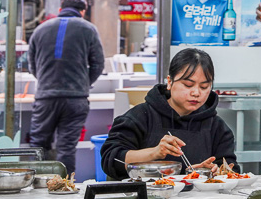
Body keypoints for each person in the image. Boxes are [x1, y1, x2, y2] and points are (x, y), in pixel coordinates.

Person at [101, 48, 236, 178]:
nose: (196, 93)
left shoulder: (217, 128)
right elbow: (111, 159)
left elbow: (230, 169)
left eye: (204, 87)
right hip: (144, 193)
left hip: (198, 194)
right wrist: (154, 153)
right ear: (170, 82)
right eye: (188, 85)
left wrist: (209, 173)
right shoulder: (140, 117)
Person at [27, 0, 104, 174]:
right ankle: (64, 186)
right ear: (83, 11)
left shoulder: (40, 29)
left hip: (46, 98)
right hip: (76, 99)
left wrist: (46, 82)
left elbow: (32, 65)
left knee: (38, 145)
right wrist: (83, 83)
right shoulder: (89, 29)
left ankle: (36, 185)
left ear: (60, 9)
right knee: (66, 147)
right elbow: (98, 64)